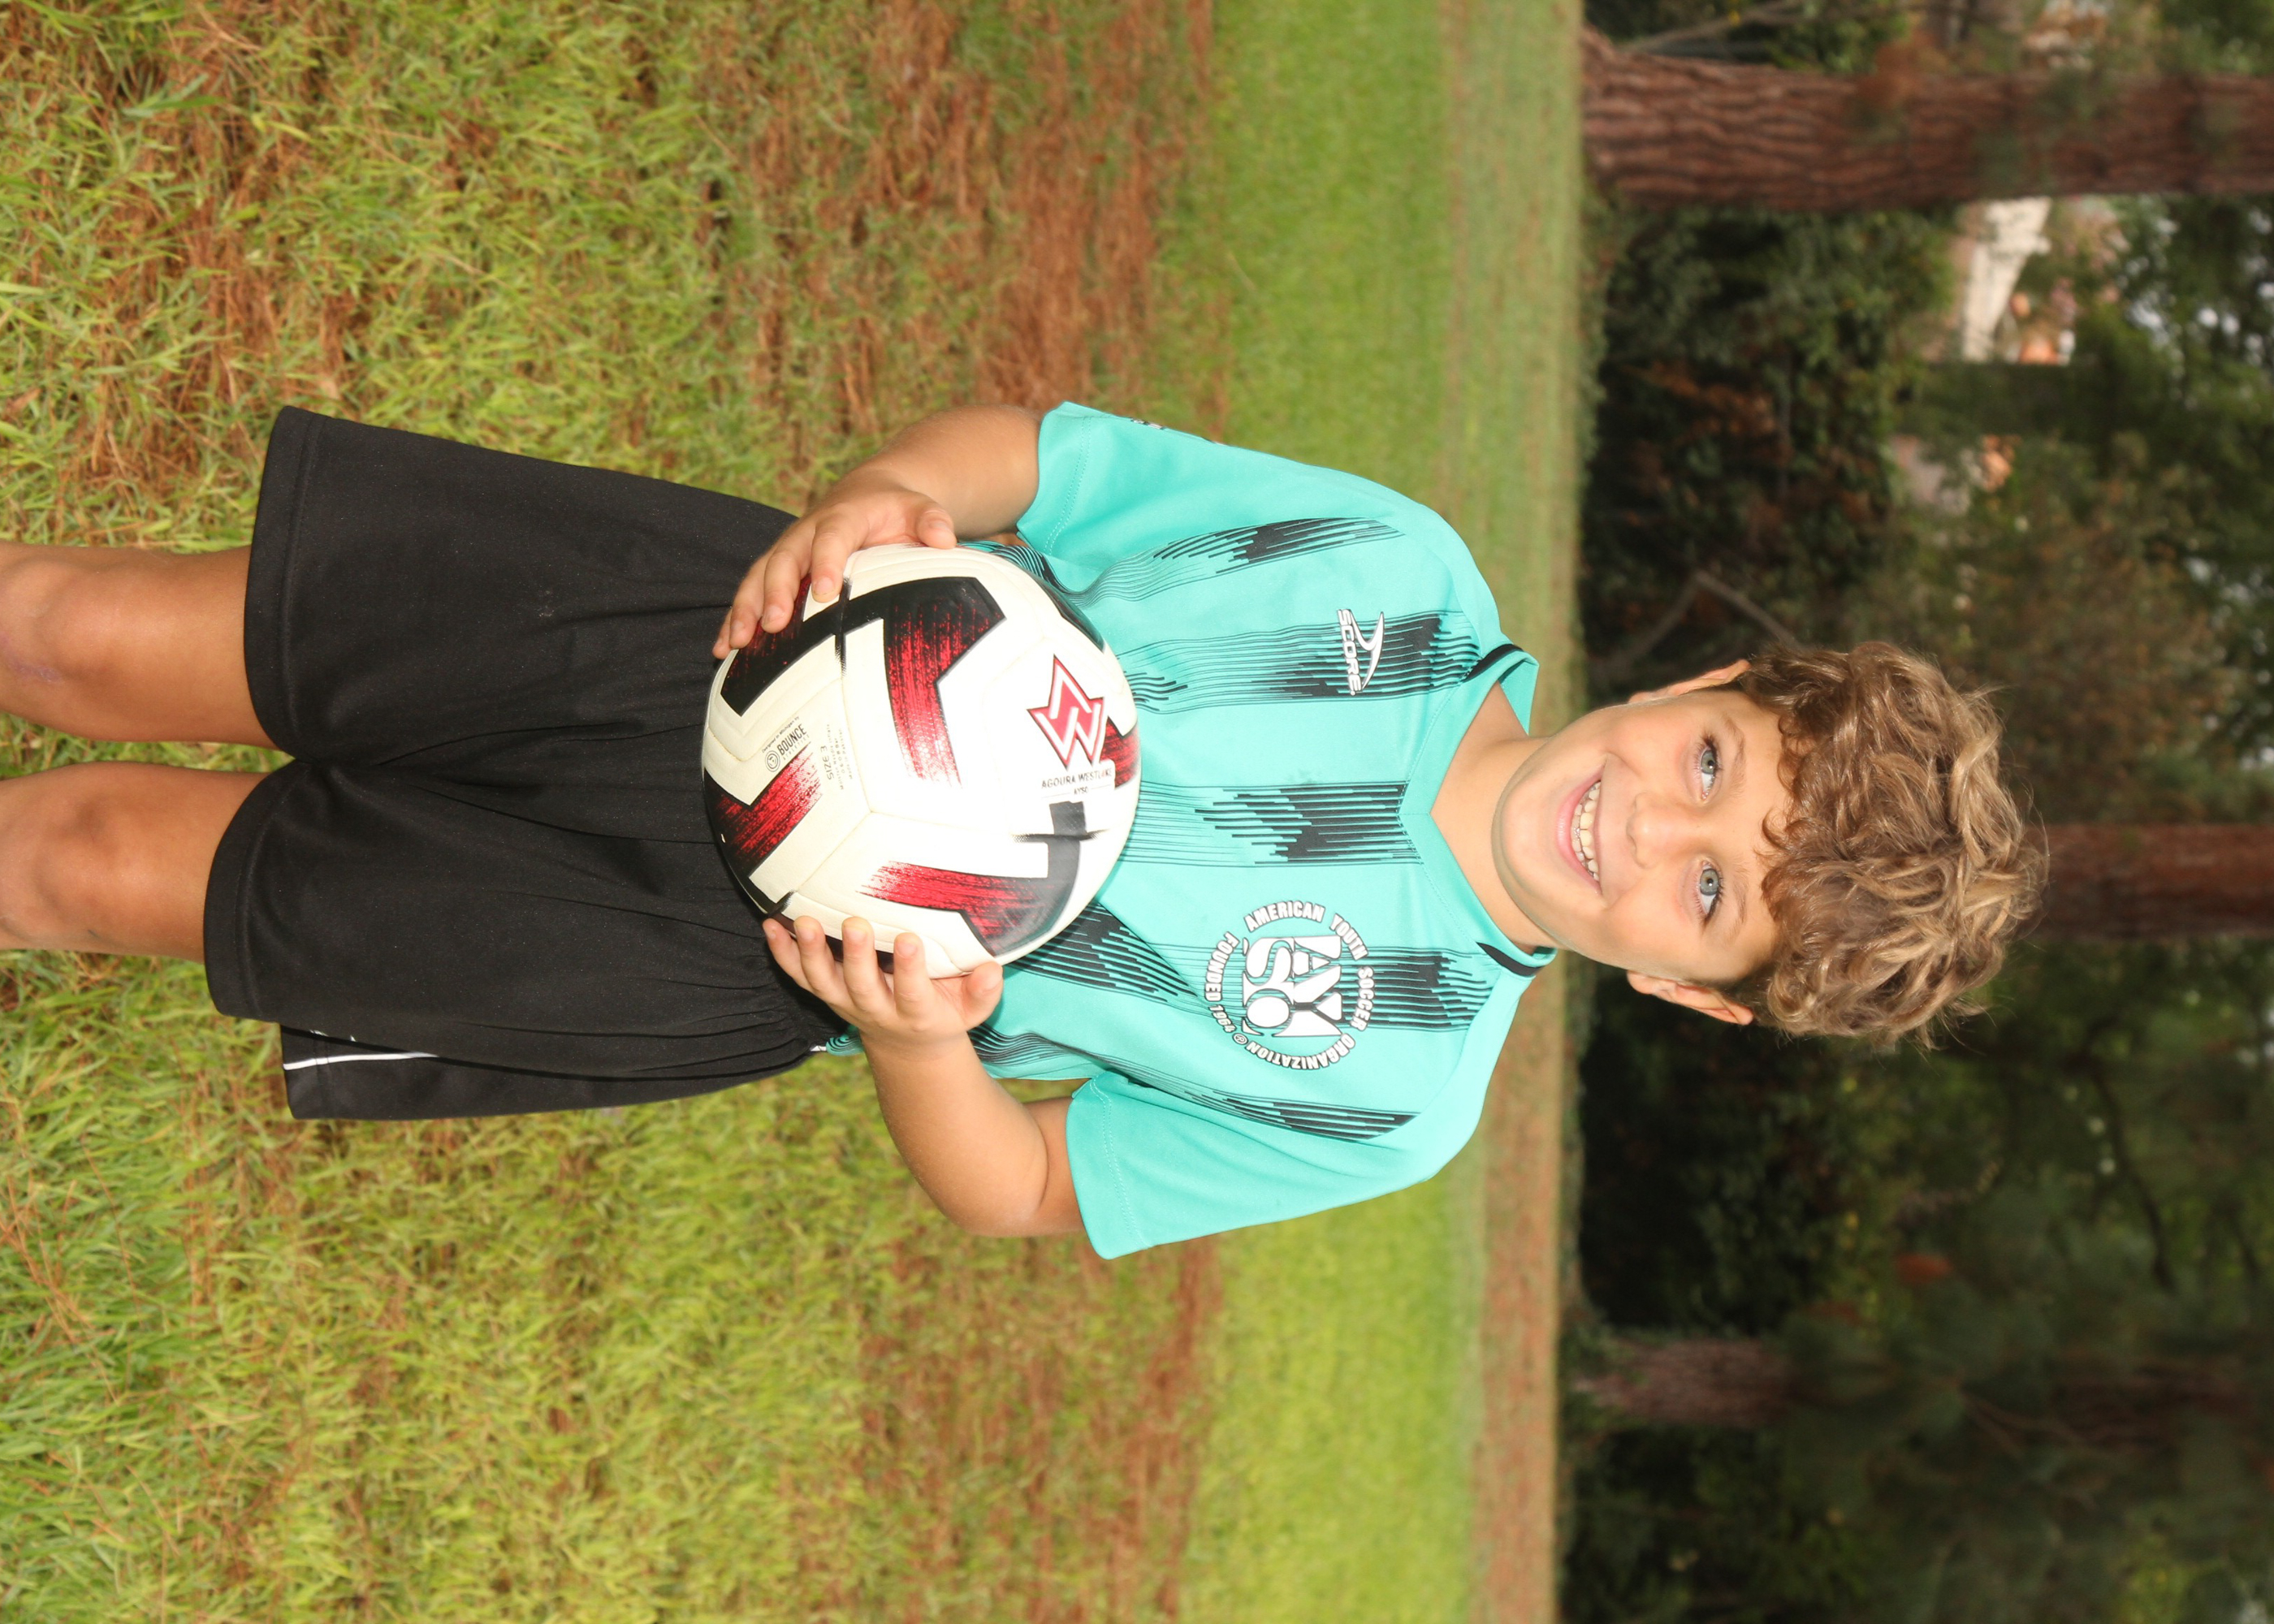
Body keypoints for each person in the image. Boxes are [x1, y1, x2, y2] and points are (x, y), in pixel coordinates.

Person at [0, 403, 2040, 1257]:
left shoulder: (1396, 1098)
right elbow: (1039, 457)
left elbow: (1027, 1186)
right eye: (1714, 767)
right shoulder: (1396, 570)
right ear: (1714, 685)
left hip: (722, 948)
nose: (1650, 825)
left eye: (1709, 892)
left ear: (1695, 993)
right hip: (717, 641)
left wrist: (917, 1044)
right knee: (86, 635)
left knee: (98, 866)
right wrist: (881, 501)